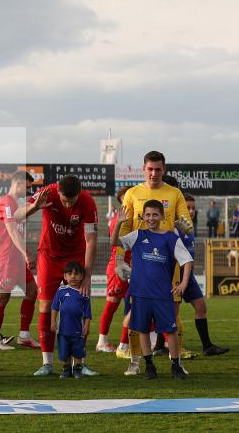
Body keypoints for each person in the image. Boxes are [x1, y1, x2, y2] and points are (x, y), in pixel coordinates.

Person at [113, 151, 194, 376]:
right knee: (136, 317)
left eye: (158, 169)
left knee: (172, 316)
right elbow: (125, 229)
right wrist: (119, 260)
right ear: (143, 169)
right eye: (150, 169)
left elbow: (186, 222)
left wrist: (187, 227)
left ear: (164, 170)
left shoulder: (174, 193)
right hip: (142, 262)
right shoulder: (132, 193)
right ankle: (136, 361)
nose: (154, 173)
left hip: (167, 263)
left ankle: (175, 362)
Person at [15, 174, 98, 376]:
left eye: (72, 201)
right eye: (64, 200)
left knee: (78, 304)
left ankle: (80, 363)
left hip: (75, 256)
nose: (68, 205)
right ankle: (47, 363)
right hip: (49, 256)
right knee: (45, 304)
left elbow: (91, 240)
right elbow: (16, 215)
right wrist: (35, 207)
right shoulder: (48, 192)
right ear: (58, 192)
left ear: (79, 193)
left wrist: (87, 275)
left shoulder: (87, 201)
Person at [0, 170, 37, 350]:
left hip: (17, 259)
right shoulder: (5, 202)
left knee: (32, 290)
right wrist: (27, 253)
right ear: (18, 182)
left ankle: (24, 336)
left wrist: (37, 206)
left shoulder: (16, 205)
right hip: (7, 259)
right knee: (2, 297)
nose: (28, 190)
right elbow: (11, 230)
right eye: (27, 186)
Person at [178, 194, 229, 356]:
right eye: (188, 208)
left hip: (189, 275)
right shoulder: (174, 227)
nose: (191, 211)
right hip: (175, 276)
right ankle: (160, 345)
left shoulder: (188, 227)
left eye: (193, 208)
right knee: (172, 313)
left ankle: (207, 346)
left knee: (201, 307)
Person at [97, 186, 130, 354]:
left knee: (136, 305)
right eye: (126, 196)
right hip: (119, 265)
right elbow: (115, 242)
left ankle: (126, 343)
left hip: (133, 265)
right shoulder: (120, 218)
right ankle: (102, 341)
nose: (129, 198)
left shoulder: (136, 216)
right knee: (112, 303)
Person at [50, 261, 91, 379]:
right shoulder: (61, 291)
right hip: (63, 329)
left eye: (76, 274)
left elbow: (88, 312)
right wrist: (53, 321)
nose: (73, 276)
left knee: (78, 350)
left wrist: (87, 325)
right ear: (65, 276)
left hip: (78, 329)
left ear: (82, 276)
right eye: (70, 273)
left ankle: (77, 369)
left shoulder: (84, 293)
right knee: (64, 351)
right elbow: (54, 308)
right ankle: (66, 370)